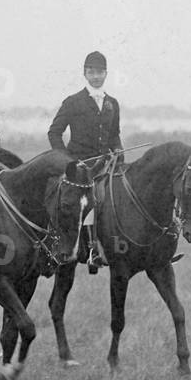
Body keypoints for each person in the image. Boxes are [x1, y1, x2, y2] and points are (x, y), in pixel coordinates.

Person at [47, 50, 122, 272]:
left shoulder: (112, 104)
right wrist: (67, 162)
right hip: (78, 168)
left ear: (106, 74)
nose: (96, 76)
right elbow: (54, 133)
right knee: (89, 199)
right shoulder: (73, 102)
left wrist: (119, 152)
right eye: (92, 72)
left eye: (100, 72)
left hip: (104, 165)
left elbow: (114, 135)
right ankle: (90, 249)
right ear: (85, 73)